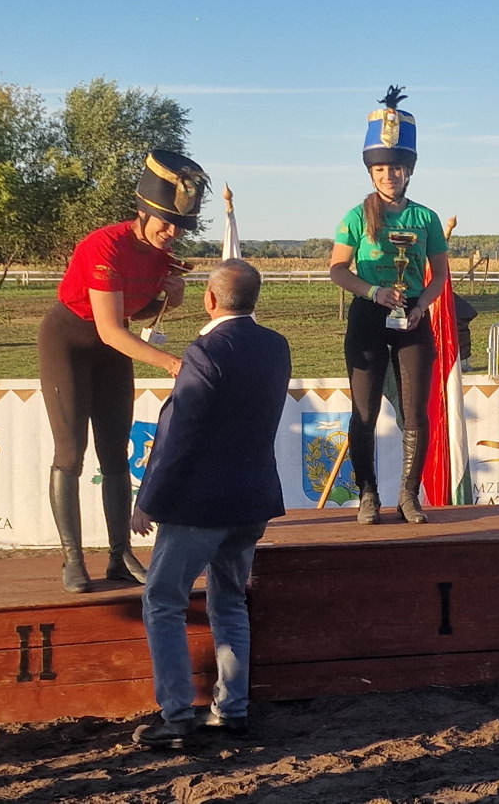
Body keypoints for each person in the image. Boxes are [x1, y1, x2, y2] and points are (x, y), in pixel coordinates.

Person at [129, 259, 291, 748]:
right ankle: (232, 709)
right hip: (252, 499)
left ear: (211, 299)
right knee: (229, 602)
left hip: (199, 505)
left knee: (163, 602)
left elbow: (179, 435)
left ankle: (177, 716)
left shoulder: (205, 351)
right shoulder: (276, 346)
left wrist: (149, 500)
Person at [38, 149, 203, 593]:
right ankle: (73, 558)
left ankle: (120, 555)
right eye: (165, 222)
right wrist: (172, 363)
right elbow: (110, 328)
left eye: (180, 226)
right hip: (68, 342)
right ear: (143, 210)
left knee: (114, 455)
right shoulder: (104, 246)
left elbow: (135, 310)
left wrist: (168, 299)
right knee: (70, 453)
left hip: (112, 349)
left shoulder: (161, 256)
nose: (172, 233)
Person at [328, 86, 450, 525]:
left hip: (412, 316)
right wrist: (373, 292)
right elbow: (338, 270)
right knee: (365, 412)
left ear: (408, 171)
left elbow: (440, 276)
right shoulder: (355, 216)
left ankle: (409, 496)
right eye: (380, 169)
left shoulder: (426, 218)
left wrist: (422, 306)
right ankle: (367, 495)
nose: (388, 176)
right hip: (368, 313)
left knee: (416, 411)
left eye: (395, 169)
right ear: (371, 172)